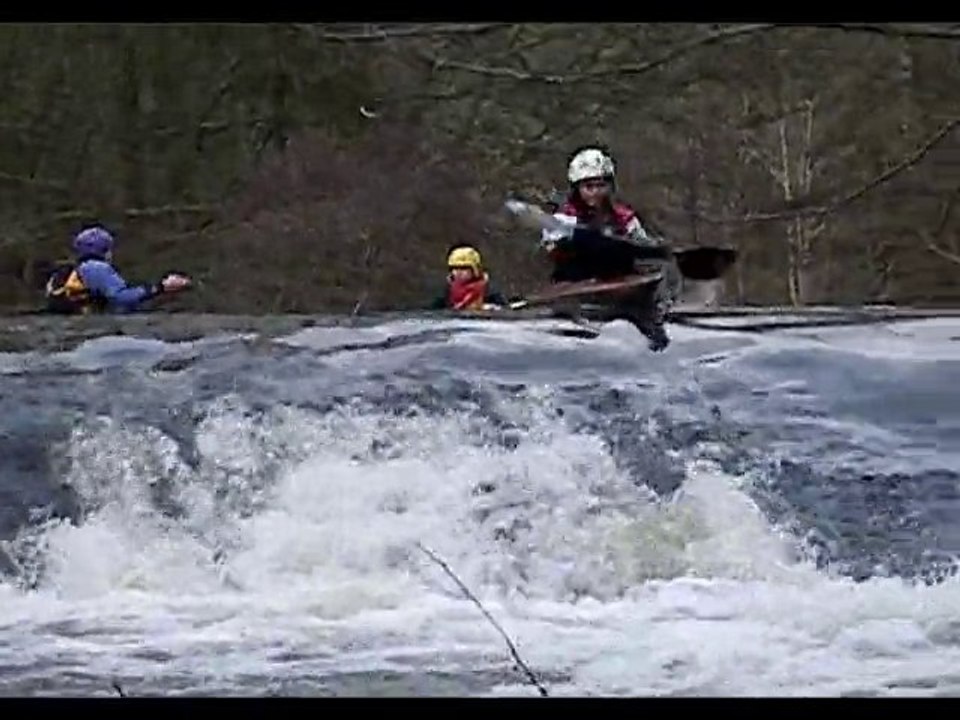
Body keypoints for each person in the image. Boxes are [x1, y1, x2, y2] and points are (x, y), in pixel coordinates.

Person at [539, 146, 676, 351]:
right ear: (577, 188)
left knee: (652, 325)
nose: (595, 192)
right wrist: (580, 238)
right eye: (589, 186)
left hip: (617, 282)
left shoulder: (624, 218)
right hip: (575, 281)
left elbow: (643, 244)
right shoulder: (563, 218)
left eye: (600, 185)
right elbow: (552, 248)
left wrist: (653, 250)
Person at [44, 225, 192, 314]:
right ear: (104, 251)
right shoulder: (96, 268)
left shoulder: (69, 271)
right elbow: (120, 298)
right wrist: (160, 288)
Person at [431, 245, 507, 311]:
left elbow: (504, 312)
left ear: (475, 270)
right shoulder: (445, 291)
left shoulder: (489, 290)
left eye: (464, 268)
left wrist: (491, 309)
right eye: (455, 268)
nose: (458, 272)